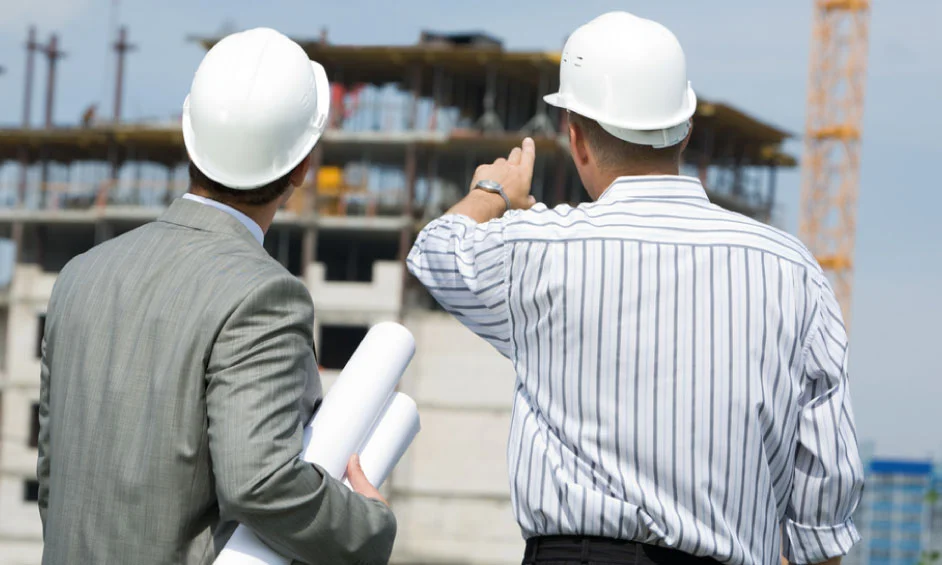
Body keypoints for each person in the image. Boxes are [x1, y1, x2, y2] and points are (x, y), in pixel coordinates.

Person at [407, 11, 863, 565]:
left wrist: (492, 191)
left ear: (576, 138)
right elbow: (822, 515)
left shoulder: (539, 249)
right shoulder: (793, 271)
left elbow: (434, 250)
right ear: (685, 131)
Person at [37, 28, 396, 565]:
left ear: (190, 140)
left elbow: (52, 479)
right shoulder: (264, 294)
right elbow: (260, 483)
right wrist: (368, 525)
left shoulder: (79, 276)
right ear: (302, 167)